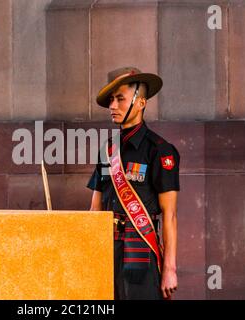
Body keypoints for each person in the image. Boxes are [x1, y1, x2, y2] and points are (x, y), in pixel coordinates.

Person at [87, 67, 179, 300]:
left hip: (140, 248)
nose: (112, 106)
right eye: (111, 100)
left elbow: (169, 215)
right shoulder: (107, 149)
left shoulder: (160, 150)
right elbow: (94, 210)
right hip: (105, 249)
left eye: (120, 99)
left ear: (140, 103)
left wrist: (169, 269)